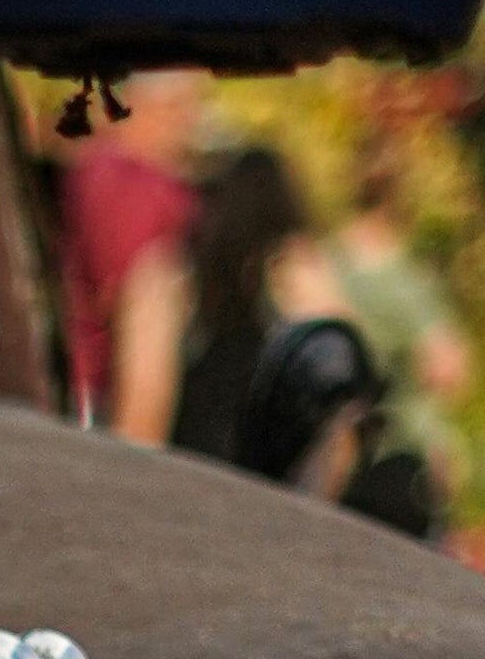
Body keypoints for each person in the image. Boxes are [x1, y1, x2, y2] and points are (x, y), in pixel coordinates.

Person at [175, 142, 442, 535]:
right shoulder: (298, 268)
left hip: (205, 470)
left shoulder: (189, 276)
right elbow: (343, 388)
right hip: (290, 486)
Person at [52, 64, 205, 437]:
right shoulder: (140, 186)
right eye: (178, 108)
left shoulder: (91, 168)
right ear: (139, 106)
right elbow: (141, 313)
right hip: (106, 399)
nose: (190, 123)